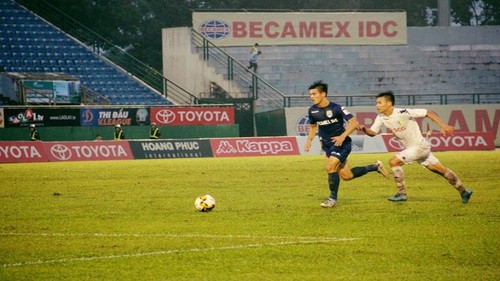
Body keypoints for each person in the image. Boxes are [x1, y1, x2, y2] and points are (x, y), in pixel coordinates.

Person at [358, 91, 473, 203]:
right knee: (440, 170)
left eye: (380, 102)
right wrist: (363, 128)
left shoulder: (402, 112)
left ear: (389, 103)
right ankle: (464, 191)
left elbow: (428, 112)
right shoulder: (381, 117)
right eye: (376, 103)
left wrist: (443, 125)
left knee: (393, 162)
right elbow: (373, 133)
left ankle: (401, 194)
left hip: (419, 146)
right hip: (414, 149)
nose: (377, 105)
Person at [303, 80, 389, 208]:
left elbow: (354, 123)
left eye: (314, 94)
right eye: (310, 94)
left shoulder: (336, 108)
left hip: (342, 144)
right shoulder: (312, 111)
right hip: (328, 145)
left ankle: (332, 199)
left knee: (330, 166)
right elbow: (313, 127)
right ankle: (374, 166)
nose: (312, 97)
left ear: (323, 94)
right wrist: (309, 141)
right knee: (347, 176)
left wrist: (342, 136)